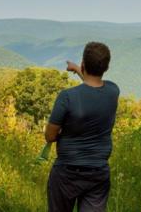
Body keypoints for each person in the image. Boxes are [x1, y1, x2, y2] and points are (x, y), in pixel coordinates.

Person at [45, 42, 120, 212]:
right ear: (106, 68)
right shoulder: (113, 91)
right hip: (98, 173)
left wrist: (64, 130)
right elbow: (94, 88)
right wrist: (78, 70)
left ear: (84, 64)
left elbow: (49, 136)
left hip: (67, 173)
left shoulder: (67, 97)